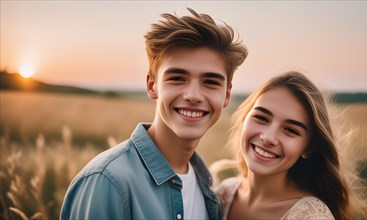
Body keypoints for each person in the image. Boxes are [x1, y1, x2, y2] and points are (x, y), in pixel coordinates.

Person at [60, 8, 247, 220]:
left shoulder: (208, 188)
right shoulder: (108, 182)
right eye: (177, 78)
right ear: (152, 85)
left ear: (226, 95)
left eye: (210, 82)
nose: (194, 95)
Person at [213, 71, 367, 219]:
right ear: (244, 119)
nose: (269, 138)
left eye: (290, 130)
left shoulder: (311, 216)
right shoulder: (224, 194)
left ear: (308, 148)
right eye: (262, 118)